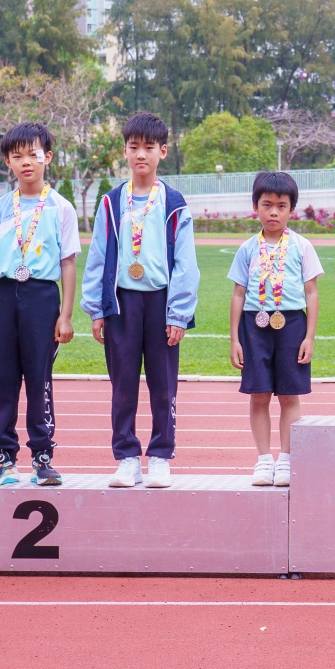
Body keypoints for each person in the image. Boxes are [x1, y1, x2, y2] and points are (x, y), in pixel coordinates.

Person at [83, 112, 198, 489]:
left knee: (163, 386)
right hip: (122, 305)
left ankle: (161, 456)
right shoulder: (111, 202)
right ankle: (127, 458)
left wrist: (179, 313)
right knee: (123, 386)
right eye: (134, 147)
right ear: (125, 152)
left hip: (162, 304)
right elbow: (97, 256)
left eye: (149, 147)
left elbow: (186, 262)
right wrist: (96, 307)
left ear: (163, 151)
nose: (141, 154)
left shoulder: (174, 203)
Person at [0, 123, 80, 487]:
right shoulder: (0, 208)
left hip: (42, 298)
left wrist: (66, 315)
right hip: (2, 296)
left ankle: (42, 457)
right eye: (17, 156)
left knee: (38, 378)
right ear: (8, 162)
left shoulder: (61, 208)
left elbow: (68, 263)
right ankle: (3, 457)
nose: (26, 162)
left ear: (47, 157)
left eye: (33, 154)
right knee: (1, 380)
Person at [229, 172, 323, 486]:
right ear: (255, 207)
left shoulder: (302, 246)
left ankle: (285, 459)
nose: (273, 212)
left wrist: (309, 336)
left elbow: (312, 292)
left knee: (289, 395)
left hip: (291, 324)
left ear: (291, 210)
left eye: (281, 206)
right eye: (266, 205)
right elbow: (238, 294)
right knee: (259, 394)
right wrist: (234, 339)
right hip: (254, 325)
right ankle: (263, 459)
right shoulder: (247, 249)